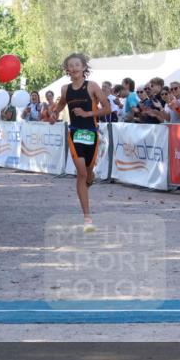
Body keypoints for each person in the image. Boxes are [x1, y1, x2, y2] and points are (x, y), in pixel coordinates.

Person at [48, 53, 111, 231]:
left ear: (84, 67)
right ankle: (87, 219)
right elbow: (61, 105)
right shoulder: (65, 89)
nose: (74, 68)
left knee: (89, 173)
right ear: (67, 69)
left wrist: (88, 114)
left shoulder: (92, 86)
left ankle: (91, 177)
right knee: (81, 173)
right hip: (75, 134)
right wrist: (54, 114)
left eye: (77, 65)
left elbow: (107, 108)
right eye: (71, 65)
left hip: (91, 133)